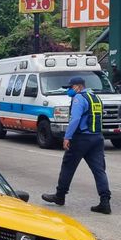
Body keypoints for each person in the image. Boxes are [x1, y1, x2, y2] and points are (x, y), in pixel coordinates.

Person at [42, 76, 111, 214]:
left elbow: (75, 119)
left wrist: (67, 137)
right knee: (99, 171)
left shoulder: (79, 98)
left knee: (68, 166)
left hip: (81, 138)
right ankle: (105, 202)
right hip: (97, 138)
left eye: (71, 88)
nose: (69, 90)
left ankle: (60, 196)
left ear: (78, 86)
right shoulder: (95, 98)